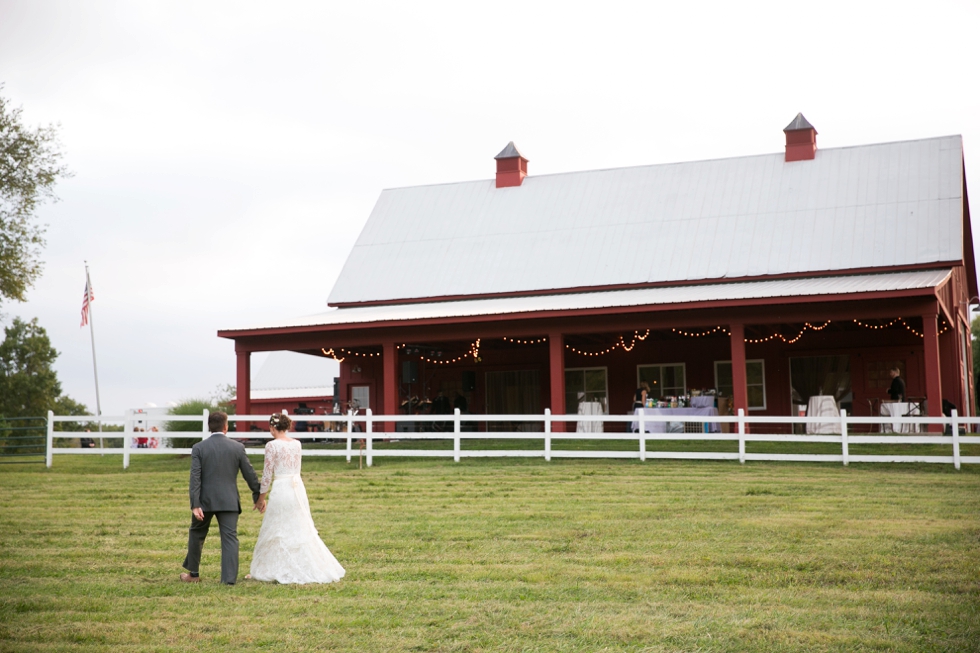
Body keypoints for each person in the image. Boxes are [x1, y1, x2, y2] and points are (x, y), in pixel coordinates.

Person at [248, 413, 345, 584]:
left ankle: (272, 567)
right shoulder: (297, 444)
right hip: (297, 488)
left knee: (276, 527)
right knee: (298, 526)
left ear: (272, 428)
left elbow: (267, 475)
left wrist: (261, 498)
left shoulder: (272, 445)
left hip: (281, 488)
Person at [181, 411, 261, 585]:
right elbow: (250, 474)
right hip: (229, 501)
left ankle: (193, 574)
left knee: (197, 533)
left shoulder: (199, 448)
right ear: (226, 426)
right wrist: (257, 495)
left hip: (204, 502)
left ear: (209, 427)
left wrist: (195, 504)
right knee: (230, 538)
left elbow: (195, 477)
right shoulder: (237, 447)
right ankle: (229, 579)